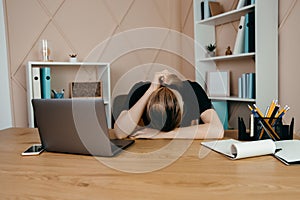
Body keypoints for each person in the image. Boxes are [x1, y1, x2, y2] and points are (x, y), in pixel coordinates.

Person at [114, 70, 224, 139]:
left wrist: (161, 134)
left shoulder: (193, 91)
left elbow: (217, 130)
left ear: (184, 103)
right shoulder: (141, 91)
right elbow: (120, 132)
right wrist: (151, 90)